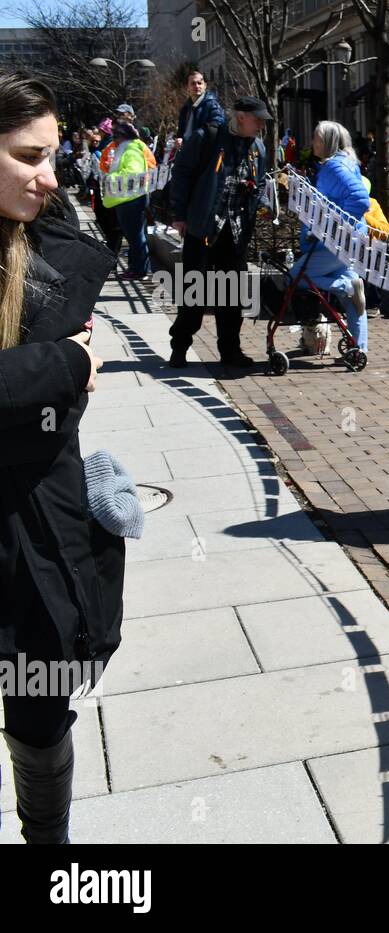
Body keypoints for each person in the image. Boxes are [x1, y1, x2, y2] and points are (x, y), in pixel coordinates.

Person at [0, 73, 123, 844]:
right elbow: (66, 375)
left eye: (53, 154)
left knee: (41, 704)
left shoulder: (57, 248)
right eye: (28, 156)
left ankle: (49, 846)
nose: (50, 175)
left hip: (41, 522)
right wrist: (65, 366)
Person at [168, 96, 269, 368]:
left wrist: (261, 206)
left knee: (232, 297)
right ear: (240, 116)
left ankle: (230, 351)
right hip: (202, 226)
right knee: (195, 294)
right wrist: (178, 215)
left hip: (234, 233)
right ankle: (180, 346)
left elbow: (259, 184)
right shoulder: (208, 137)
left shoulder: (257, 148)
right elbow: (181, 175)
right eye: (256, 118)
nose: (261, 124)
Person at [288, 122, 371, 354]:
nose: (313, 142)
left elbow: (361, 200)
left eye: (316, 138)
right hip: (347, 242)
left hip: (336, 244)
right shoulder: (344, 163)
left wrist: (336, 226)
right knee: (352, 302)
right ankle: (358, 349)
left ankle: (346, 286)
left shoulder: (334, 167)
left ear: (328, 142)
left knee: (294, 279)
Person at [98, 117, 156, 279]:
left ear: (123, 136)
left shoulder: (130, 151)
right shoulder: (128, 149)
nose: (113, 140)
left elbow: (132, 175)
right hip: (128, 199)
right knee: (134, 236)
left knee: (136, 237)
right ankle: (137, 268)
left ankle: (140, 270)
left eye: (115, 136)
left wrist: (110, 178)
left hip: (131, 200)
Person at [176, 66, 224, 146]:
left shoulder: (212, 104)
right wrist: (179, 139)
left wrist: (199, 134)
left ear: (205, 85)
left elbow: (218, 123)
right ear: (188, 87)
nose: (197, 86)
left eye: (199, 83)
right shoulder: (185, 108)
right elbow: (181, 132)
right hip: (187, 150)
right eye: (193, 83)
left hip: (204, 152)